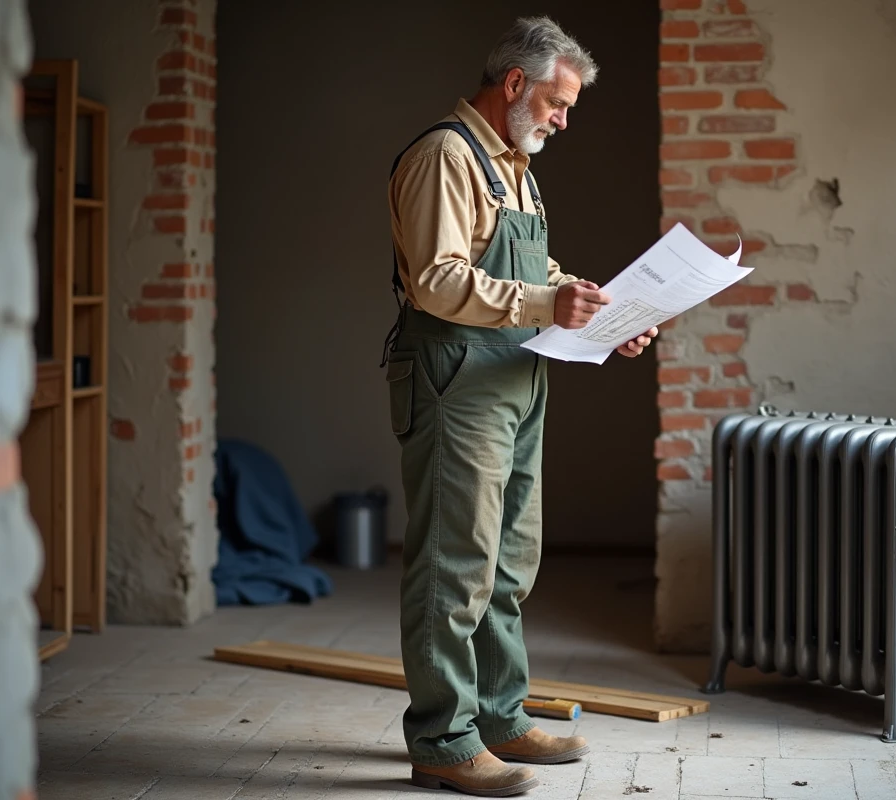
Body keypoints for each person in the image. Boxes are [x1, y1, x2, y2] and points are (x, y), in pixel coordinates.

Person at [381, 16, 658, 797]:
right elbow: (436, 280)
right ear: (513, 84)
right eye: (557, 103)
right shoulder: (446, 156)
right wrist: (546, 302)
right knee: (454, 565)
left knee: (508, 562)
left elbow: (538, 273)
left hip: (515, 376)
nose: (563, 121)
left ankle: (499, 718)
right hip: (457, 380)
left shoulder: (517, 168)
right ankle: (442, 740)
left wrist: (601, 316)